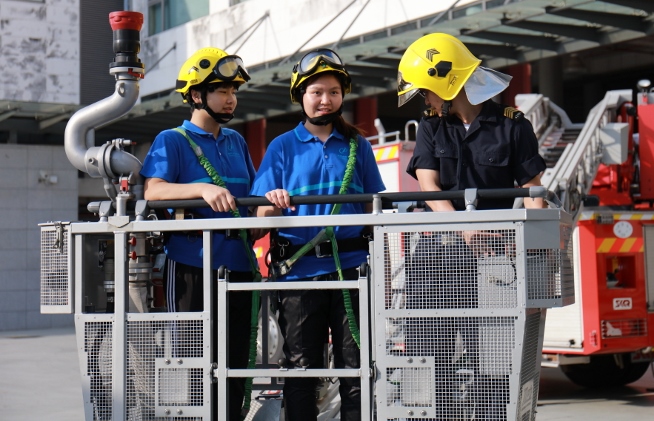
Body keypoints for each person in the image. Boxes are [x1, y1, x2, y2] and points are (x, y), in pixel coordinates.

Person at [396, 32, 547, 420]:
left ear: (446, 83)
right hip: (438, 260)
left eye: (426, 91)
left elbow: (534, 191)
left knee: (494, 362)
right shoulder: (431, 126)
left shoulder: (513, 126)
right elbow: (429, 187)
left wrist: (535, 253)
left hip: (493, 261)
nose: (424, 100)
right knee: (434, 359)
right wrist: (463, 225)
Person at [251, 48, 385, 421]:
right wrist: (272, 202)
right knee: (301, 368)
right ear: (301, 97)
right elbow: (259, 218)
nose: (326, 100)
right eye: (317, 92)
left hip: (352, 268)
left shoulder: (359, 146)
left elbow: (376, 204)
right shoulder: (281, 147)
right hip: (299, 274)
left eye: (334, 92)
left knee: (355, 366)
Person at [140, 47, 263, 421]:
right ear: (196, 95)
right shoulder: (172, 139)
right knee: (196, 355)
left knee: (238, 355)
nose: (231, 98)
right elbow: (153, 190)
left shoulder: (237, 141)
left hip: (239, 264)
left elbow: (254, 196)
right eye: (222, 90)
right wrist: (201, 188)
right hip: (192, 264)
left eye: (234, 91)